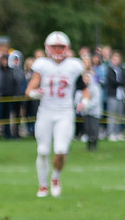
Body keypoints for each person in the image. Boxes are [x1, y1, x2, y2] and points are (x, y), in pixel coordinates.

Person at [25, 31, 87, 197]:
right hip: (45, 111)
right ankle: (43, 185)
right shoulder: (42, 65)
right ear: (48, 47)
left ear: (66, 48)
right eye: (55, 46)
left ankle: (56, 178)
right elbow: (29, 89)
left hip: (65, 112)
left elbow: (85, 88)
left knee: (61, 149)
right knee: (43, 151)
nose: (58, 50)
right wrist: (34, 94)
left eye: (61, 46)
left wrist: (85, 101)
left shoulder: (74, 65)